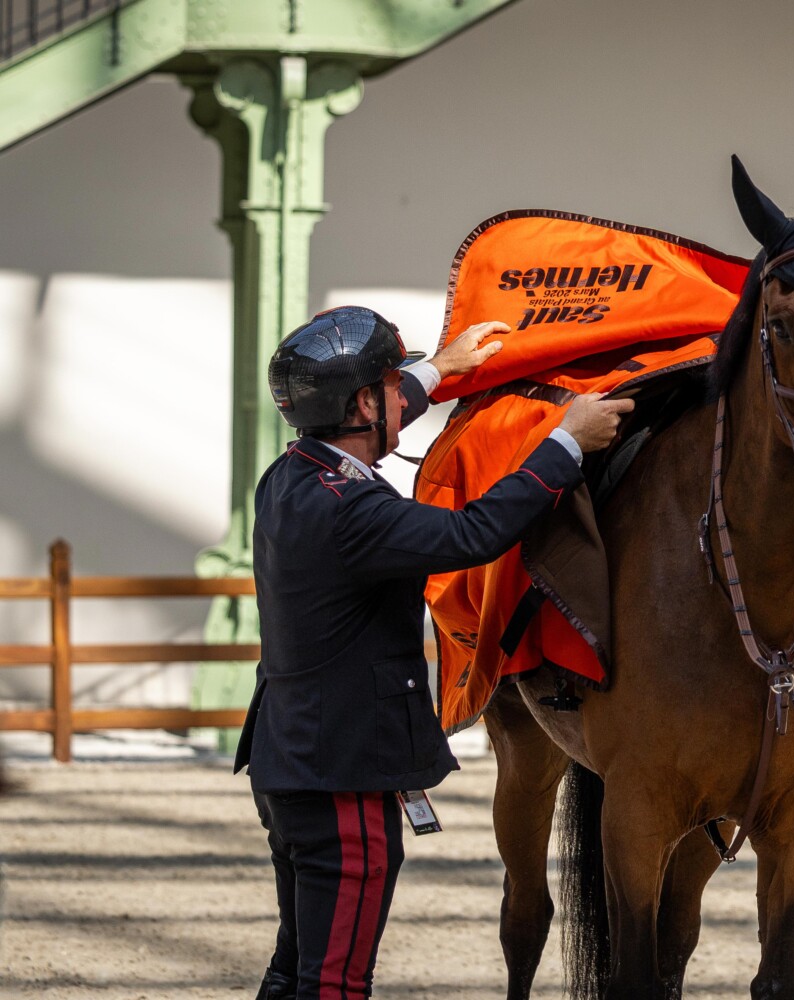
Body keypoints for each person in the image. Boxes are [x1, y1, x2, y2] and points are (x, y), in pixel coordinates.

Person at [233, 305, 632, 1000]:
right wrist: (565, 443)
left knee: (294, 969)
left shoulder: (292, 475)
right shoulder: (352, 510)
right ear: (362, 403)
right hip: (342, 773)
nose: (401, 397)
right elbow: (473, 535)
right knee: (336, 983)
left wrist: (439, 370)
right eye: (390, 387)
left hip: (291, 757)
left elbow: (373, 407)